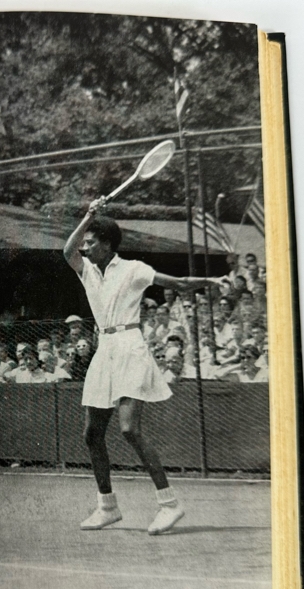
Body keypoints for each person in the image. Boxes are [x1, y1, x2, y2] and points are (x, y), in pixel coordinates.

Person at [63, 196, 221, 534]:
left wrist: (212, 282)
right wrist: (88, 215)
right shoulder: (88, 270)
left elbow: (176, 283)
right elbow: (67, 252)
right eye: (85, 243)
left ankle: (170, 504)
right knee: (92, 435)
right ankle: (107, 507)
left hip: (131, 348)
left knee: (129, 429)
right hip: (104, 350)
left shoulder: (134, 269)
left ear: (107, 245)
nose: (85, 248)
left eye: (91, 242)